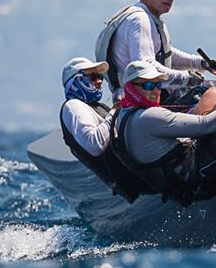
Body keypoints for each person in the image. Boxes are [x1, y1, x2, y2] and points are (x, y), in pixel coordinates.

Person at [110, 60, 216, 207]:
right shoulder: (148, 117)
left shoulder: (122, 114)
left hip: (180, 186)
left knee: (213, 92)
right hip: (203, 181)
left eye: (158, 84)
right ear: (131, 87)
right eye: (148, 86)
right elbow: (208, 124)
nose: (156, 91)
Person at [94, 0, 216, 114]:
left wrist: (201, 63)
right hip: (139, 100)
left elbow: (166, 54)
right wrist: (188, 80)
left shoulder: (145, 17)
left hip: (145, 97)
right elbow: (146, 66)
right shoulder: (139, 20)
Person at [59, 57, 154, 202]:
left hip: (140, 171)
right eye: (93, 76)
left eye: (101, 77)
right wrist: (115, 110)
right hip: (137, 181)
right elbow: (94, 145)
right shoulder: (73, 106)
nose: (100, 81)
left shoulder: (95, 106)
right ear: (76, 80)